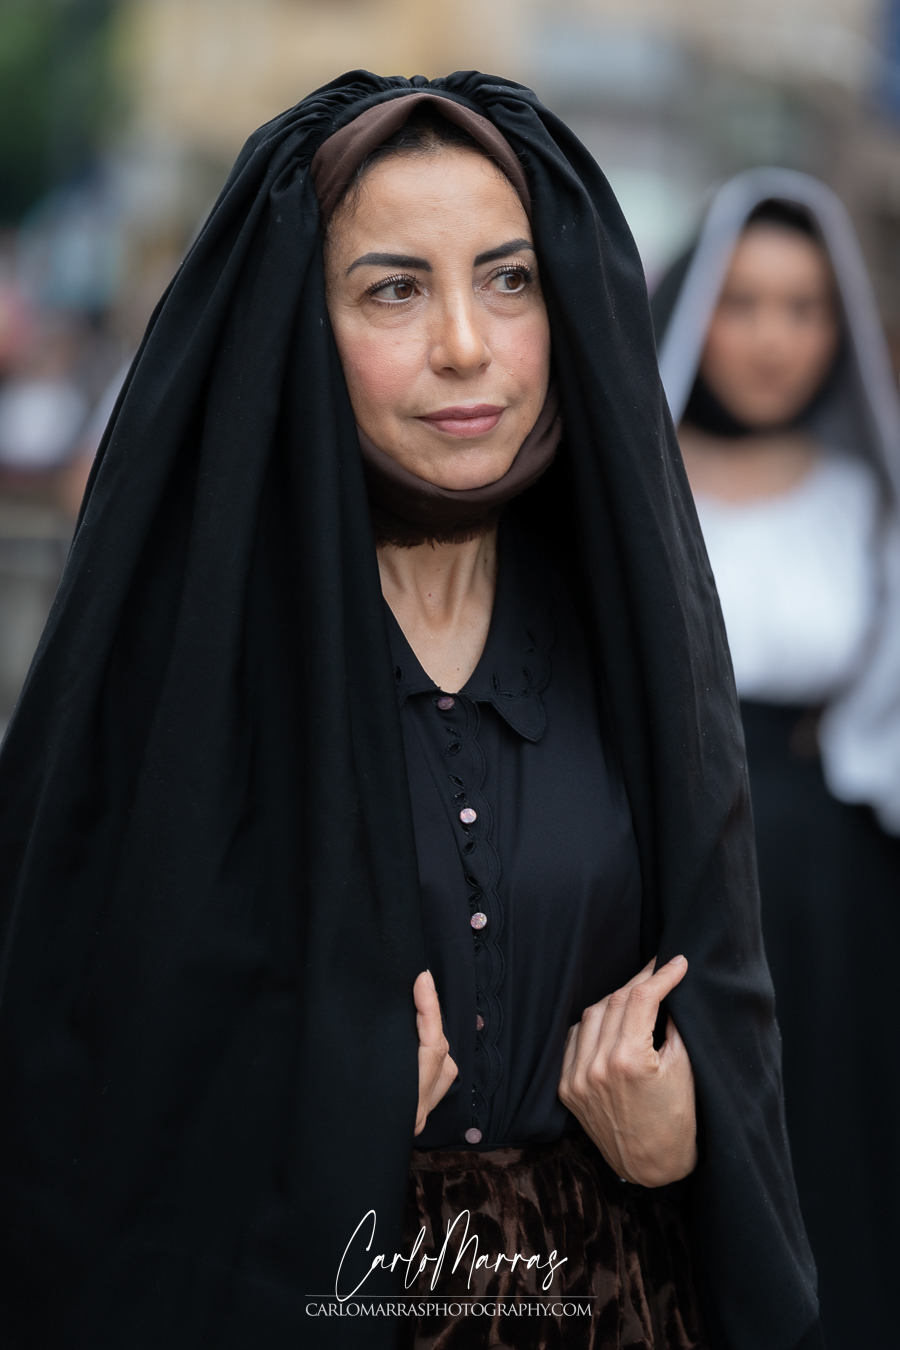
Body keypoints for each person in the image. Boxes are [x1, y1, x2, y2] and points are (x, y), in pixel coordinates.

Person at [0, 76, 821, 1350]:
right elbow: (89, 1089)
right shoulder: (197, 671)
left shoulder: (628, 639)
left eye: (509, 280)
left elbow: (717, 1006)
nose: (465, 345)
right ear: (298, 322)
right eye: (394, 290)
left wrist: (688, 1136)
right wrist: (312, 1119)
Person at [652, 167, 900, 1349]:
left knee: (830, 1152)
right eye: (744, 302)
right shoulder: (638, 485)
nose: (772, 338)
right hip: (663, 871)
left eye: (803, 308)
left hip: (829, 889)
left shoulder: (869, 500)